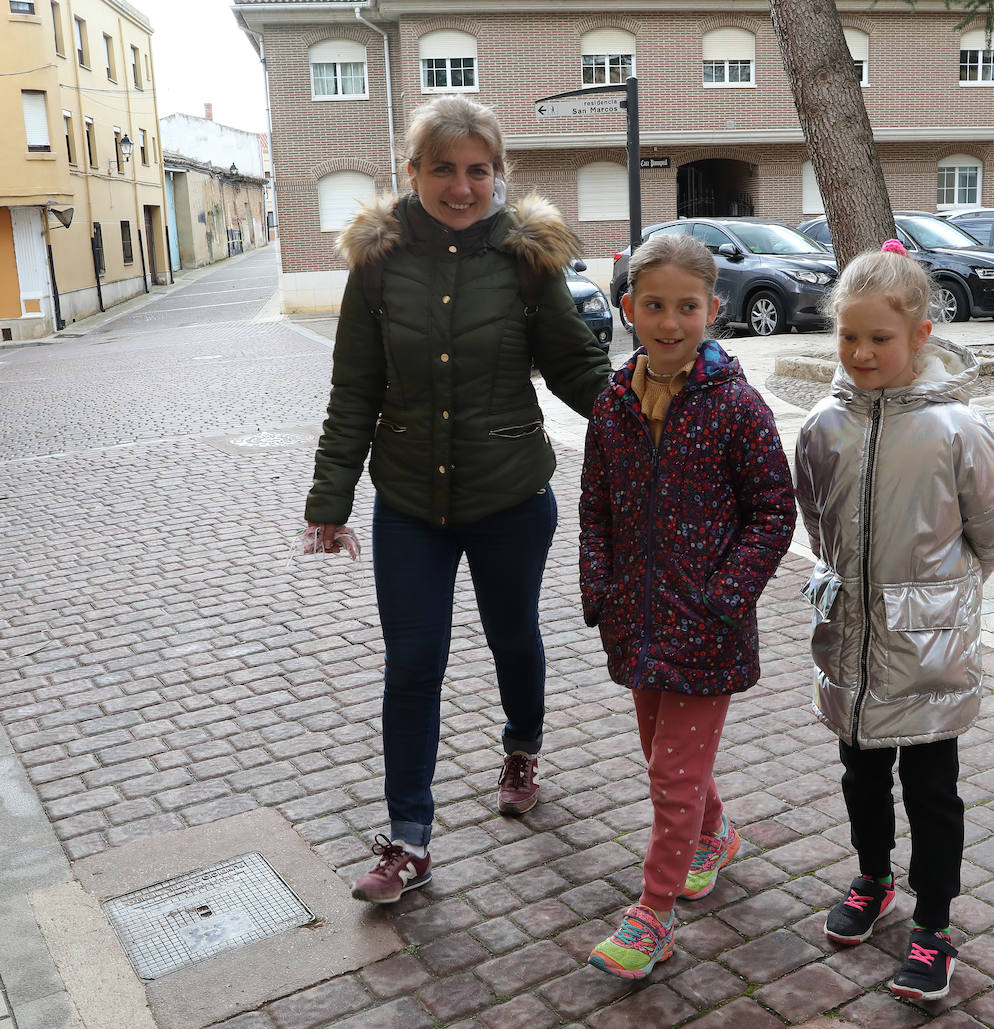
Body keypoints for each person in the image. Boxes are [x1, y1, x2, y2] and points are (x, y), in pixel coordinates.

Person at [303, 95, 611, 904]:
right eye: (444, 168)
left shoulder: (524, 256)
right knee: (412, 665)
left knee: (513, 634)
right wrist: (330, 497)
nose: (462, 186)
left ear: (498, 174)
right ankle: (408, 838)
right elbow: (353, 388)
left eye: (479, 170)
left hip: (510, 491)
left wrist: (650, 417)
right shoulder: (378, 262)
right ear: (413, 172)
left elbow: (578, 370)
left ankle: (522, 747)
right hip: (408, 499)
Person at [794, 239, 994, 1001]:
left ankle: (936, 921)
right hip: (852, 639)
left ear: (919, 336)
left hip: (927, 649)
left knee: (931, 786)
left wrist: (940, 595)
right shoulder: (823, 424)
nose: (861, 351)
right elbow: (815, 519)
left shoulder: (956, 429)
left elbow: (991, 530)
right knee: (860, 772)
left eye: (879, 338)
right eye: (849, 336)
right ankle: (872, 875)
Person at [579, 234, 796, 978]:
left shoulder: (737, 406)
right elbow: (595, 506)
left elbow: (773, 510)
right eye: (656, 306)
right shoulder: (612, 403)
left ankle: (653, 913)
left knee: (670, 774)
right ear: (632, 307)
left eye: (688, 306)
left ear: (713, 308)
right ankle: (716, 834)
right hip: (636, 622)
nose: (671, 322)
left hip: (707, 628)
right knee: (664, 758)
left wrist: (725, 597)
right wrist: (599, 589)